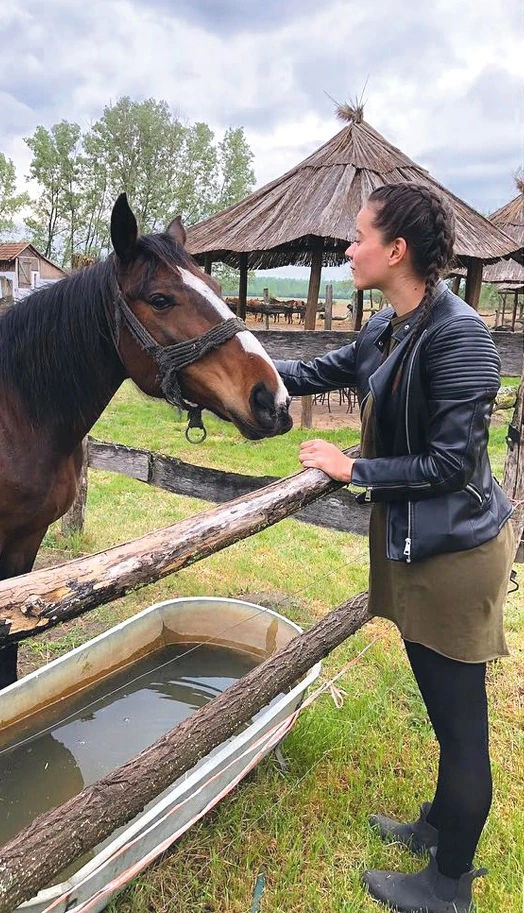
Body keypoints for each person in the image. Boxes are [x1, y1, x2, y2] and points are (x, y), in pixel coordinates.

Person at [275, 182, 514, 913]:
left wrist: (354, 469)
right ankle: (434, 828)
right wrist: (244, 376)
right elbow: (324, 370)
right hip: (419, 545)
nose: (349, 247)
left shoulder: (460, 336)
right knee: (446, 715)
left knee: (461, 725)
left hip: (456, 555)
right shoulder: (392, 324)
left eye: (358, 236)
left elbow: (450, 463)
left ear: (396, 250)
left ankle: (448, 888)